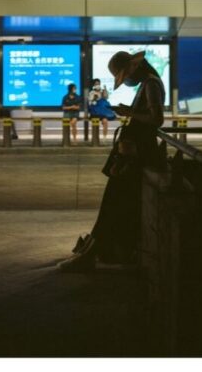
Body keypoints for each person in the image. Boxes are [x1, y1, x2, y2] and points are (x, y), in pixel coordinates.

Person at [58, 51, 165, 272]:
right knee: (118, 202)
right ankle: (105, 249)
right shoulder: (148, 82)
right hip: (135, 154)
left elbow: (156, 119)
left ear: (134, 67)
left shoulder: (151, 84)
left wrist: (130, 113)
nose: (126, 80)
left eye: (125, 75)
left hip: (137, 156)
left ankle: (93, 253)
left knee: (113, 201)